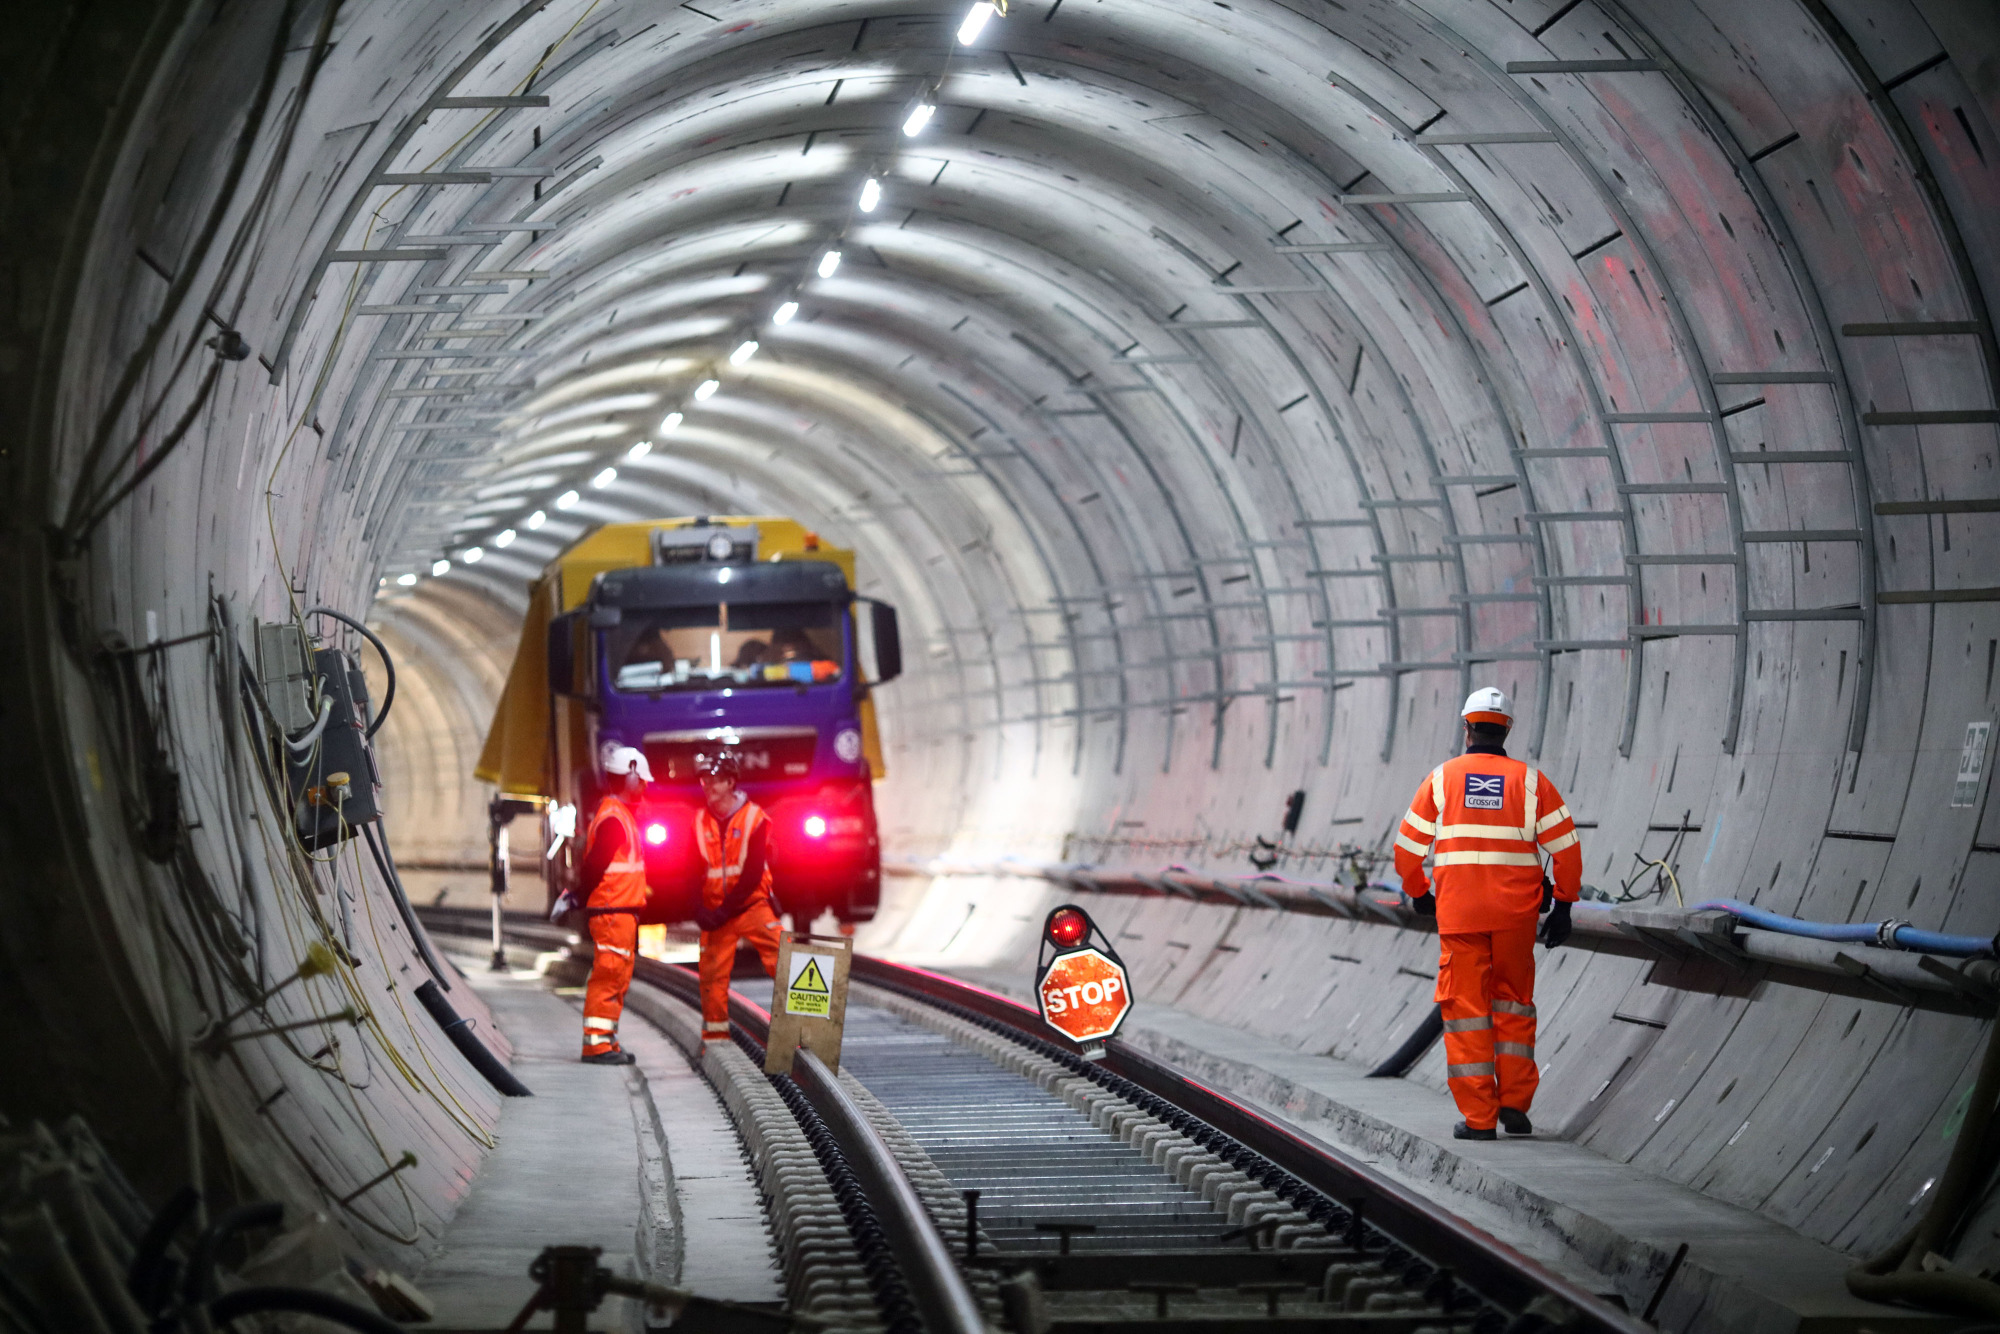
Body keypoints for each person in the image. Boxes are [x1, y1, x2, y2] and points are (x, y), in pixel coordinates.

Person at [1393, 688, 1583, 1141]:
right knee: (1514, 1005)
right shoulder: (1532, 783)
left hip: (1460, 919)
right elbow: (1568, 852)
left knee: (1466, 1012)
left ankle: (1479, 1119)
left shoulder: (1441, 780)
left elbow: (1406, 851)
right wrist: (1564, 905)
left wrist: (1420, 893)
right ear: (1507, 730)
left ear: (1467, 728)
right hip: (1516, 919)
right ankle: (1516, 1103)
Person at [552, 744, 654, 1064]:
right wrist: (579, 897)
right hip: (612, 912)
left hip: (620, 912)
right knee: (608, 977)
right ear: (631, 777)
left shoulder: (618, 815)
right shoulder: (614, 819)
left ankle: (607, 1041)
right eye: (642, 780)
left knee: (617, 979)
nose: (646, 786)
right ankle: (596, 1046)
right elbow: (596, 865)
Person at [692, 749, 784, 1047]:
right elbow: (689, 869)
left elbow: (753, 873)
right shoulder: (699, 822)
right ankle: (716, 1042)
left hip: (750, 906)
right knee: (711, 978)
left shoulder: (755, 818)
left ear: (731, 782)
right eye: (704, 780)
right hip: (716, 910)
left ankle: (805, 1034)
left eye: (714, 781)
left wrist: (724, 911)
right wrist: (698, 909)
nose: (707, 786)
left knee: (786, 960)